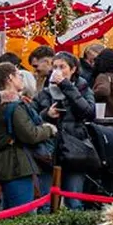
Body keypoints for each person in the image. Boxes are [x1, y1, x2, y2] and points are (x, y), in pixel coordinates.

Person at [33, 51, 96, 210]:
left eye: (62, 67)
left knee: (74, 201)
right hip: (49, 151)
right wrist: (46, 114)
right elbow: (33, 116)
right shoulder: (46, 91)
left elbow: (88, 112)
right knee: (45, 202)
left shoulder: (82, 87)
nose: (58, 71)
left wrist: (66, 86)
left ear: (73, 69)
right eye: (55, 67)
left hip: (74, 149)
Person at [0, 62, 58, 210]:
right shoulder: (13, 105)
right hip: (16, 164)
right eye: (19, 75)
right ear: (10, 78)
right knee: (22, 214)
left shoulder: (1, 103)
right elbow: (30, 134)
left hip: (9, 163)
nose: (22, 78)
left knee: (9, 214)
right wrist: (49, 129)